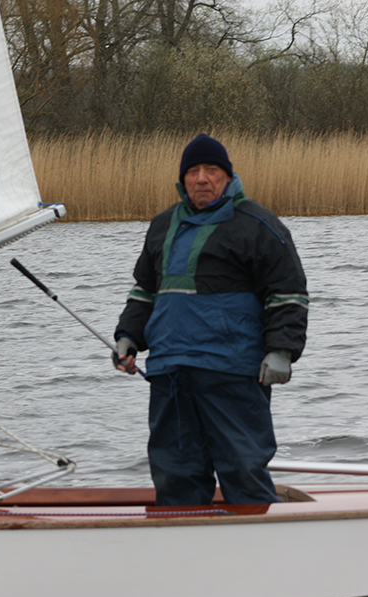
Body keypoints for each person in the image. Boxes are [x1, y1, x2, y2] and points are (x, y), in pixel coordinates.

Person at [113, 133, 308, 507]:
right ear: (183, 179)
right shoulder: (161, 225)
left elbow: (288, 295)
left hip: (233, 372)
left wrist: (281, 351)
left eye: (211, 170)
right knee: (175, 476)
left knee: (244, 470)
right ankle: (182, 540)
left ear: (227, 176)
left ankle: (261, 539)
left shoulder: (259, 225)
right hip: (170, 371)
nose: (201, 178)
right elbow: (144, 292)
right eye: (193, 171)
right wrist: (128, 337)